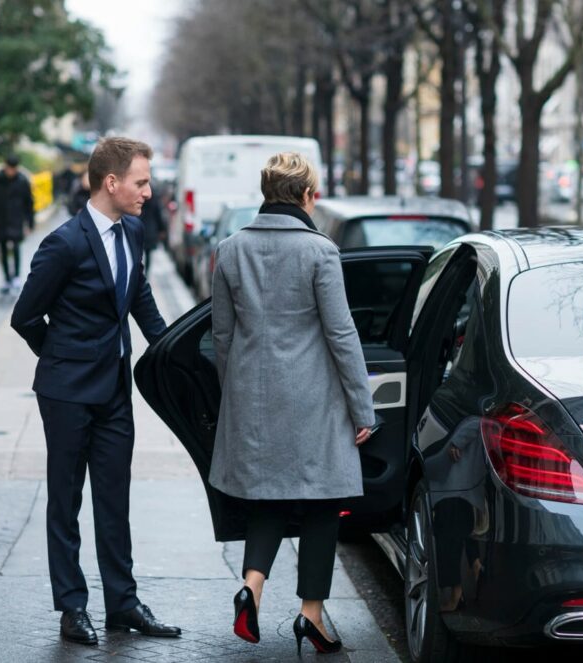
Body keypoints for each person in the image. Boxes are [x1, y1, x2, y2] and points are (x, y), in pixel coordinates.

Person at [10, 137, 180, 646]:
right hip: (66, 393)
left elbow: (139, 294)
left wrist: (170, 347)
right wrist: (63, 360)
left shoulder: (133, 230)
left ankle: (123, 604)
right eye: (141, 182)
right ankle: (72, 607)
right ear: (112, 183)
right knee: (65, 499)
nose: (148, 191)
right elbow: (25, 316)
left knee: (114, 497)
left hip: (114, 391)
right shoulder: (64, 243)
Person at [210, 152, 374, 654]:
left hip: (252, 401)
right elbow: (341, 334)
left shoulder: (230, 248)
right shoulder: (320, 252)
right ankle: (311, 614)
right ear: (306, 196)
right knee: (323, 503)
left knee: (268, 497)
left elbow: (221, 334)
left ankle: (251, 588)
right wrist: (362, 407)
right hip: (313, 402)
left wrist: (233, 391)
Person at [0, 155, 34, 294]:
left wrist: (29, 223)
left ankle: (16, 277)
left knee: (16, 247)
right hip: (0, 220)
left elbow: (28, 203)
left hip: (16, 220)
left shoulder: (22, 180)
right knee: (3, 249)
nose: (11, 171)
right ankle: (7, 278)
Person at [139, 184, 165, 267]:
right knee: (148, 254)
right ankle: (146, 273)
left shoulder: (139, 198)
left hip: (139, 226)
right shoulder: (154, 199)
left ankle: (139, 272)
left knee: (137, 252)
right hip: (150, 229)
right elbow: (158, 215)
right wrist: (161, 229)